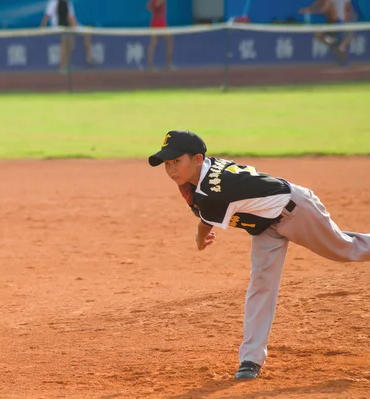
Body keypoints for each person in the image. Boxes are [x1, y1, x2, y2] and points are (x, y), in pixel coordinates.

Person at [148, 130, 370, 379]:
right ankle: (250, 359)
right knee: (261, 285)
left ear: (198, 158)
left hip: (295, 211)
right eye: (167, 163)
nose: (170, 169)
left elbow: (204, 220)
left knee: (346, 249)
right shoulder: (201, 174)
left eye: (176, 161)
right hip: (265, 226)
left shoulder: (212, 190)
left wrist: (200, 239)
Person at [41, 0, 93, 73]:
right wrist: (42, 28)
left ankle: (88, 58)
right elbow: (47, 15)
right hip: (59, 27)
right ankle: (62, 66)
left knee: (73, 42)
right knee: (66, 43)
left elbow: (71, 17)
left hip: (68, 26)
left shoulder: (68, 2)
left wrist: (75, 28)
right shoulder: (53, 2)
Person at [146, 0, 174, 70]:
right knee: (153, 44)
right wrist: (156, 6)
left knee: (169, 41)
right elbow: (150, 6)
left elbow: (149, 6)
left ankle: (167, 65)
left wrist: (153, 7)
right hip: (158, 23)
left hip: (160, 22)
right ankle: (152, 66)